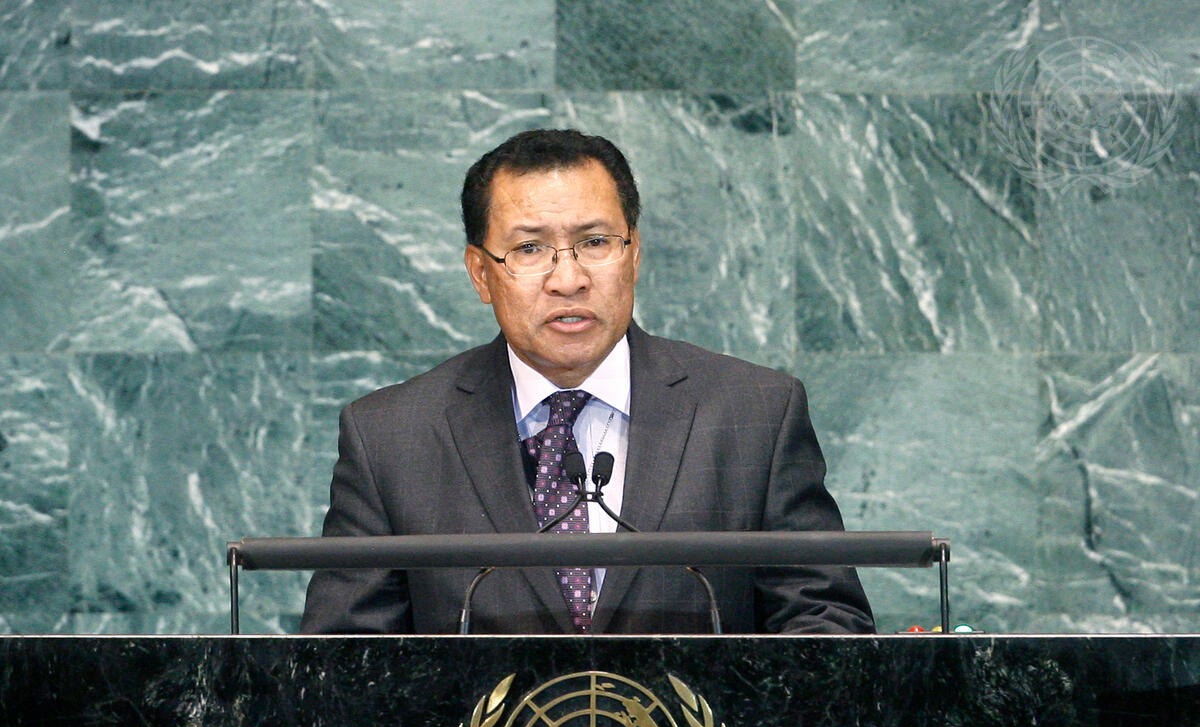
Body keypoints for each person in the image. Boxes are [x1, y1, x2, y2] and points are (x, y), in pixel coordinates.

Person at [300, 128, 873, 635]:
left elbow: (826, 621)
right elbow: (345, 664)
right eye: (529, 248)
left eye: (595, 243)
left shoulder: (755, 413)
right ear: (480, 273)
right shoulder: (391, 438)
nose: (568, 279)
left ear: (634, 254)